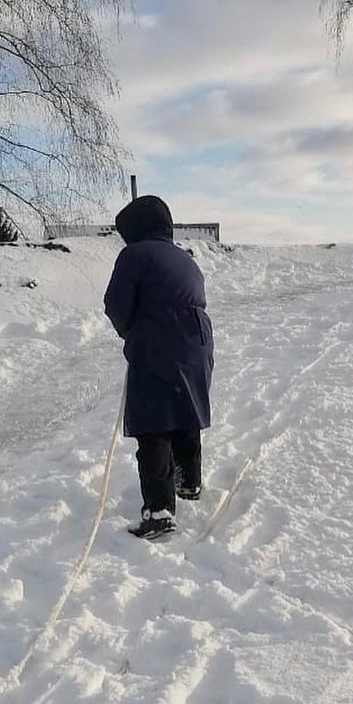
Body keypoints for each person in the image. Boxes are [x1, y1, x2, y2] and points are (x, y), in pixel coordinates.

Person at [103, 194, 214, 540]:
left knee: (153, 421)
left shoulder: (134, 255)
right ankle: (189, 482)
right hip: (197, 341)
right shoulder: (183, 257)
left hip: (158, 339)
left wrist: (130, 332)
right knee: (183, 410)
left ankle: (159, 512)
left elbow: (115, 304)